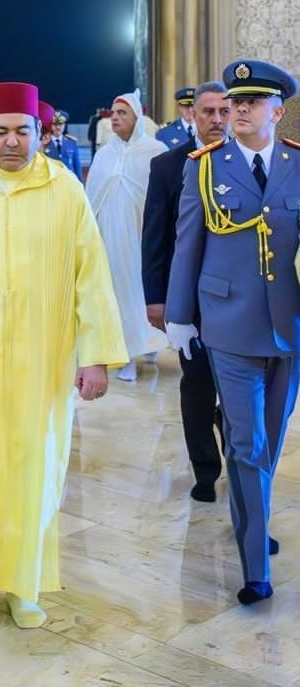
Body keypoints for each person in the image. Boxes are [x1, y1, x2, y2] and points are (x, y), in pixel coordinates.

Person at [0, 81, 126, 633]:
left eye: (23, 130)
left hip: (44, 357)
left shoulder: (66, 191)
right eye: (1, 129)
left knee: (35, 469)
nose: (12, 140)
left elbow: (92, 277)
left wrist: (96, 355)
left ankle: (22, 582)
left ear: (41, 132)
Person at [166, 60, 300, 605]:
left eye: (253, 101)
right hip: (228, 326)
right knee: (245, 444)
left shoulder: (297, 164)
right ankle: (253, 569)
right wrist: (178, 317)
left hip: (290, 329)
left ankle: (254, 515)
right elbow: (187, 245)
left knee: (269, 443)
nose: (239, 109)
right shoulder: (204, 167)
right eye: (235, 101)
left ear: (278, 110)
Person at [142, 80, 230, 502]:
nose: (216, 119)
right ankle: (205, 472)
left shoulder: (244, 161)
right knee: (196, 386)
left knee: (236, 389)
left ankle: (239, 459)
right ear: (191, 114)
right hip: (189, 300)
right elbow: (155, 239)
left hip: (237, 303)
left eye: (224, 111)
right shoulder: (167, 166)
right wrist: (156, 298)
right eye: (208, 111)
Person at [86, 88, 167, 381]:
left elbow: (162, 200)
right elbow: (92, 197)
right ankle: (125, 355)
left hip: (142, 239)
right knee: (117, 294)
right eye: (113, 113)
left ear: (137, 118)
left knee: (141, 291)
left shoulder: (155, 152)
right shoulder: (105, 154)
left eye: (122, 113)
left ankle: (148, 343)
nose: (115, 118)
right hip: (110, 239)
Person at [46, 108, 82, 179]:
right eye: (55, 124)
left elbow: (77, 166)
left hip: (69, 182)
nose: (58, 127)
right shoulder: (44, 143)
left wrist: (80, 184)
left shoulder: (71, 142)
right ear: (50, 125)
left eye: (60, 124)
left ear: (64, 125)